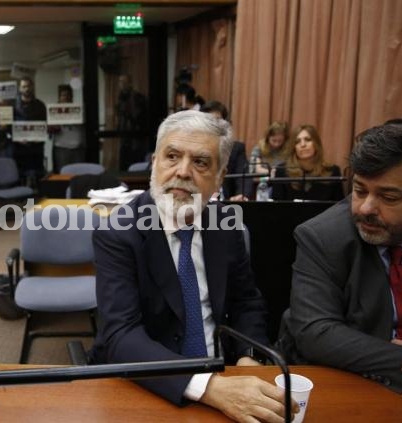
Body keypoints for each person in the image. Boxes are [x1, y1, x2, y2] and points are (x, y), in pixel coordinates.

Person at [91, 110, 295, 422]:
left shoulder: (225, 225)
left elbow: (246, 302)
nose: (183, 171)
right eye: (172, 156)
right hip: (148, 383)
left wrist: (247, 358)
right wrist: (209, 388)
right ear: (155, 161)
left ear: (221, 177)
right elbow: (121, 336)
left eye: (200, 162)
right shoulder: (118, 232)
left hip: (225, 373)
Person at [279, 123, 402, 395]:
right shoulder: (323, 236)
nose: (366, 208)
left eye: (388, 197)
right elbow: (315, 332)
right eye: (359, 190)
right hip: (368, 388)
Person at [272, 124, 344, 202]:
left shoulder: (332, 171)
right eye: (297, 142)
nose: (303, 145)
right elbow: (276, 208)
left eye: (308, 139)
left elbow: (339, 207)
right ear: (294, 147)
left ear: (316, 143)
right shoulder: (281, 171)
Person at [199, 100, 252, 201]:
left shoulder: (236, 149)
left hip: (226, 203)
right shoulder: (192, 148)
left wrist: (241, 195)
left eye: (218, 120)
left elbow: (243, 177)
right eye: (209, 121)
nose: (214, 125)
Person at [13, 76, 47, 184]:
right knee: (20, 173)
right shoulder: (13, 106)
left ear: (32, 87)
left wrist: (41, 137)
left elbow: (45, 124)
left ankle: (39, 196)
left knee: (38, 173)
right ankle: (22, 198)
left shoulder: (40, 105)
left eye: (28, 86)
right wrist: (16, 139)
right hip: (19, 146)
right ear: (19, 88)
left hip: (36, 145)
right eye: (24, 86)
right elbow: (9, 126)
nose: (26, 89)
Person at [116, 74, 148, 171]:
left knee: (134, 165)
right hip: (124, 137)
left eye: (124, 82)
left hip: (136, 139)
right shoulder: (120, 98)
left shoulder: (138, 97)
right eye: (120, 82)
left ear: (130, 83)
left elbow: (140, 117)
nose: (122, 84)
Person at [52, 84, 85, 171]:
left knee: (79, 174)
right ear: (59, 97)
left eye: (68, 95)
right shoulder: (53, 111)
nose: (66, 97)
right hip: (61, 148)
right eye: (63, 95)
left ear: (72, 97)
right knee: (63, 174)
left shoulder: (79, 109)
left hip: (77, 148)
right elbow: (49, 130)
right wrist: (52, 128)